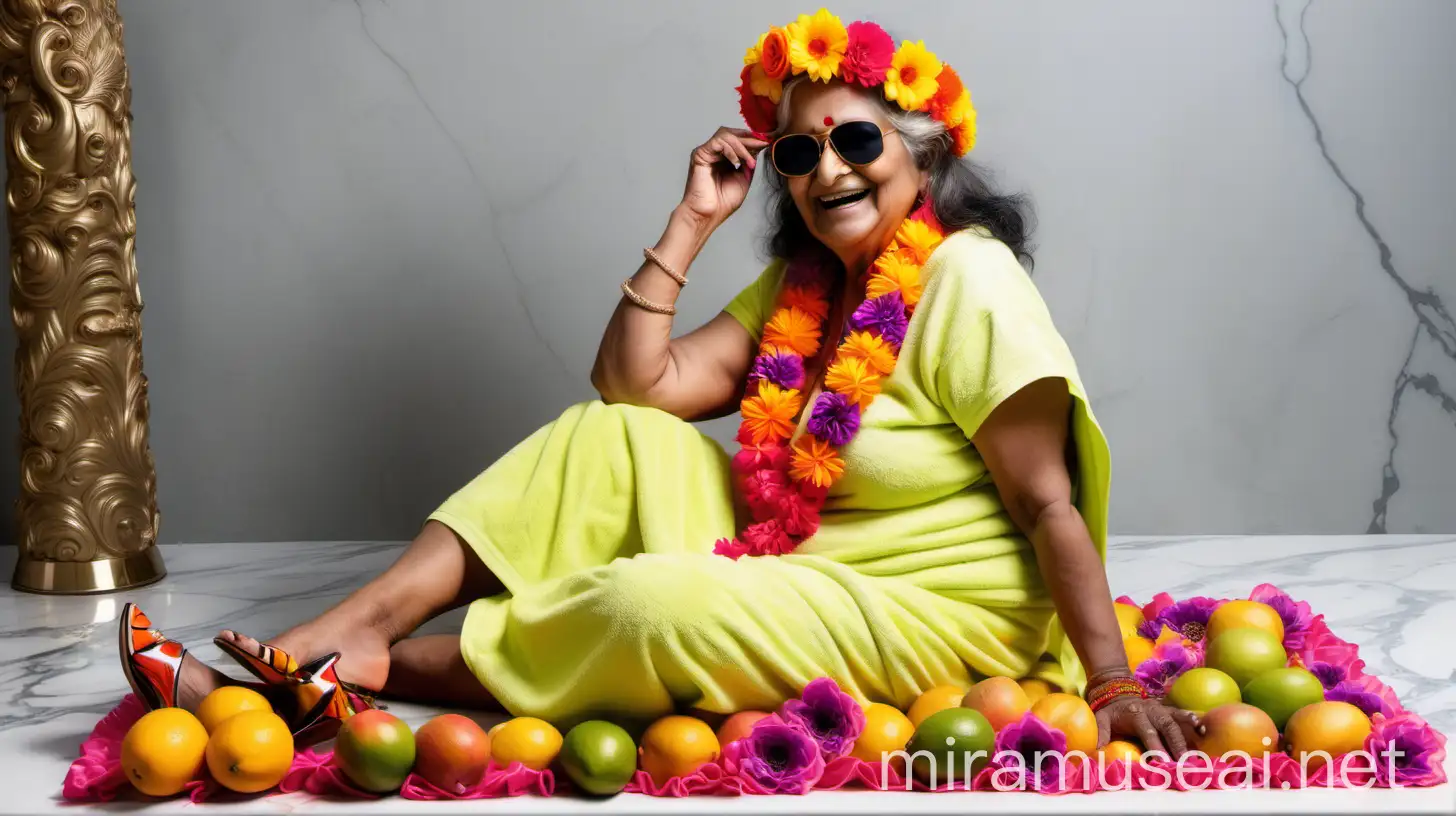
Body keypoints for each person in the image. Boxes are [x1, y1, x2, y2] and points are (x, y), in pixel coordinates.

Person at [120, 9, 1195, 756]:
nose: (828, 172)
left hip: (939, 610)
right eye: (796, 156)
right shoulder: (804, 284)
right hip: (800, 560)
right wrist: (691, 222)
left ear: (922, 156)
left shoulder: (967, 275)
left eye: (855, 141)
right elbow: (637, 388)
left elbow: (1048, 500)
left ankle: (382, 676)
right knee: (607, 438)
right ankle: (349, 628)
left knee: (648, 601)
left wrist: (1112, 681)